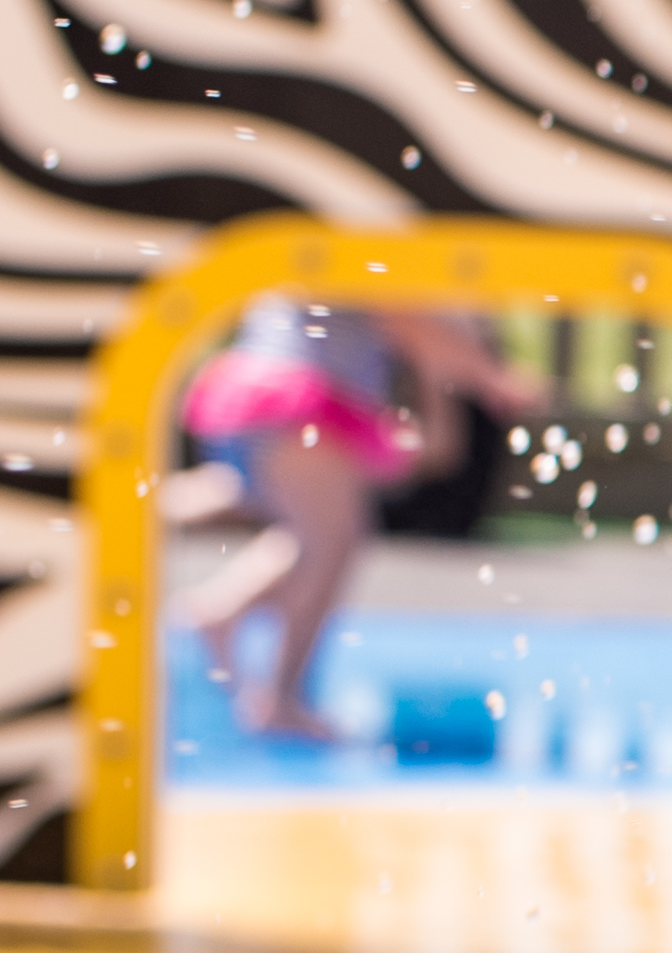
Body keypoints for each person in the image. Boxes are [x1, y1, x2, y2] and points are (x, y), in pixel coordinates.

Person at [176, 296, 537, 744]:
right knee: (331, 544)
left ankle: (223, 611)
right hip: (294, 398)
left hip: (260, 394)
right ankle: (282, 697)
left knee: (314, 536)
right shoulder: (367, 262)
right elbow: (409, 319)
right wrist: (493, 376)